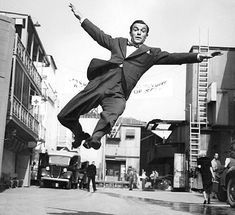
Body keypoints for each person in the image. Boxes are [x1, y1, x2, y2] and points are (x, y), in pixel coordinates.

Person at [57, 3, 222, 150]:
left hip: (119, 91)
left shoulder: (151, 53)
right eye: (136, 29)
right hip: (100, 83)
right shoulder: (118, 43)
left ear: (146, 36)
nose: (139, 32)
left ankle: (95, 138)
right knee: (64, 116)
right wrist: (82, 18)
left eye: (143, 31)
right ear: (130, 32)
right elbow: (98, 35)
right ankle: (79, 134)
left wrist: (198, 56)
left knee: (116, 110)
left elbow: (173, 57)